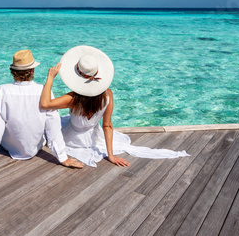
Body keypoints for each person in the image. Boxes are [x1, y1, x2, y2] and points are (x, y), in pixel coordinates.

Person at [40, 45, 189, 167]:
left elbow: (45, 104)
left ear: (78, 75)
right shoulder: (108, 95)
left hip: (71, 138)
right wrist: (111, 155)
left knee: (53, 120)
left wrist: (50, 78)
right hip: (93, 136)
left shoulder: (72, 98)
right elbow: (107, 126)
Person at [0, 49, 84, 172]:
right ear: (32, 70)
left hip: (8, 146)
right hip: (36, 147)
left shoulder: (0, 91)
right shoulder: (43, 91)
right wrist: (62, 158)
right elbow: (53, 128)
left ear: (13, 71)